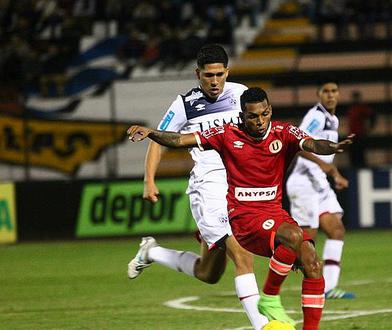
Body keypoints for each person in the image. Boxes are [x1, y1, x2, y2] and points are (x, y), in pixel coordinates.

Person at [127, 87, 355, 330]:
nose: (260, 121)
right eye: (253, 116)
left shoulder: (283, 131)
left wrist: (331, 147)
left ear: (270, 111)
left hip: (274, 213)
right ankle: (268, 302)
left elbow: (311, 143)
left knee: (310, 262)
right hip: (242, 216)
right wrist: (152, 133)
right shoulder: (225, 133)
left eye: (264, 114)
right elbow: (180, 140)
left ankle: (152, 252)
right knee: (287, 239)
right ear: (241, 116)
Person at [126, 44, 268, 330]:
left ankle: (151, 252)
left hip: (239, 186)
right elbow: (159, 138)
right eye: (207, 76)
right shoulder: (185, 104)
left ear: (227, 72)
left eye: (219, 74)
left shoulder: (242, 95)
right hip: (208, 187)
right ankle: (262, 326)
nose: (214, 82)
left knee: (209, 273)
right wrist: (149, 180)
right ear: (197, 74)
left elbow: (259, 132)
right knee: (243, 254)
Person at [286, 79, 354, 300]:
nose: (331, 95)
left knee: (336, 230)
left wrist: (334, 173)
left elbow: (326, 155)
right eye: (326, 91)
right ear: (318, 94)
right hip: (304, 183)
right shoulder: (316, 116)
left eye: (334, 91)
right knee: (306, 241)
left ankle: (328, 288)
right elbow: (298, 142)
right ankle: (278, 275)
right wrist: (324, 165)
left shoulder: (332, 119)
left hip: (319, 183)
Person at [346, 90, 375, 168]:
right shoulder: (351, 108)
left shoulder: (361, 108)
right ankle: (354, 168)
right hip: (352, 135)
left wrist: (370, 127)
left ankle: (361, 168)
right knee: (353, 154)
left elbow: (372, 115)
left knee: (360, 154)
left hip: (359, 135)